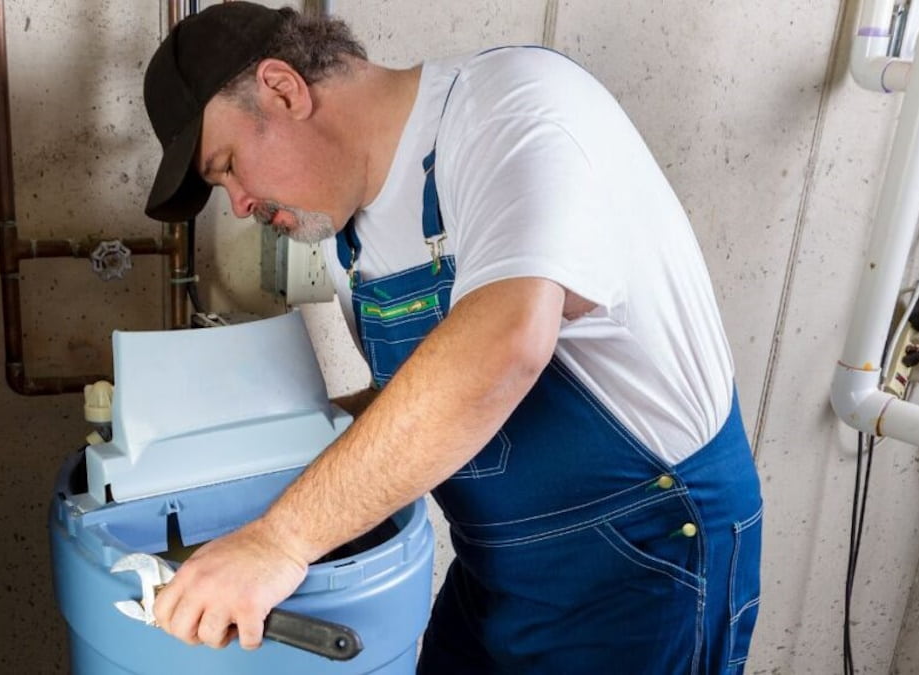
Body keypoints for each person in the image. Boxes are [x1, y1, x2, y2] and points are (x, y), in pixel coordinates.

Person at [140, 3, 762, 673]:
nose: (237, 204)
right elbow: (415, 403)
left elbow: (504, 344)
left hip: (642, 560)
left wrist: (281, 538)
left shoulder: (512, 111)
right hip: (498, 566)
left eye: (228, 165)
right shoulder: (353, 229)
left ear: (283, 90)